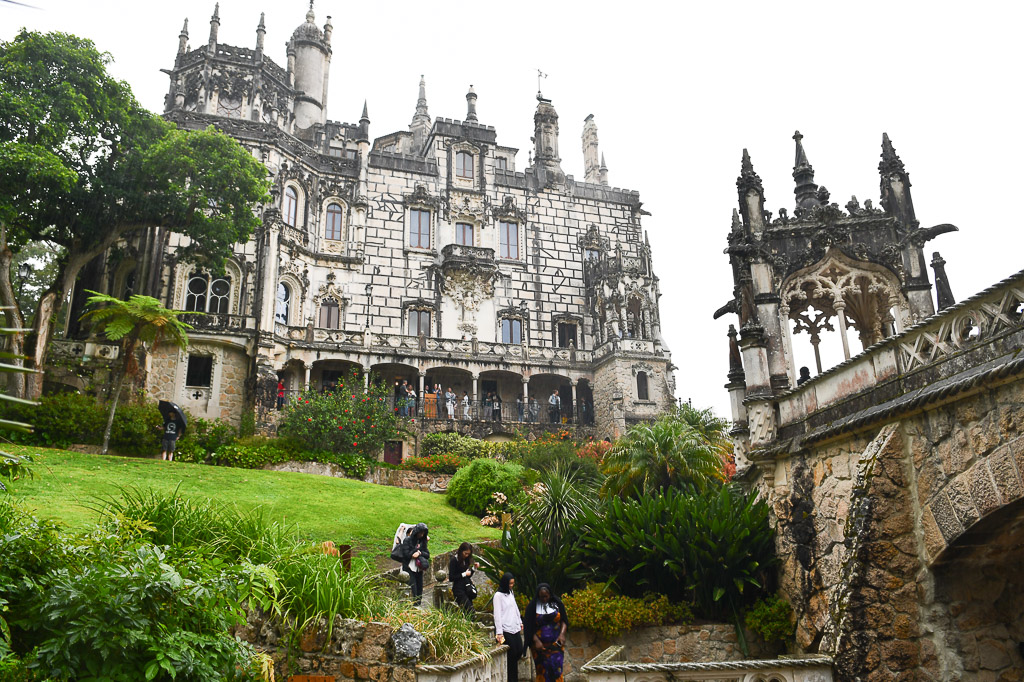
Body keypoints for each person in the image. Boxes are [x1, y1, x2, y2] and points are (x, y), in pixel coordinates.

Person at [524, 583, 569, 682]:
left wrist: (562, 634)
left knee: (557, 670)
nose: (544, 599)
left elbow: (564, 620)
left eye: (546, 596)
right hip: (539, 647)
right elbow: (528, 626)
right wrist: (535, 640)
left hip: (556, 644)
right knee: (543, 672)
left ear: (550, 595)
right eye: (541, 597)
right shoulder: (532, 607)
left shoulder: (558, 604)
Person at [493, 573, 524, 682]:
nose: (511, 585)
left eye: (513, 583)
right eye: (510, 583)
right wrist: (499, 632)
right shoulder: (498, 596)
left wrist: (520, 621)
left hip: (514, 626)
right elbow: (497, 614)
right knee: (511, 654)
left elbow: (515, 607)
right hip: (505, 629)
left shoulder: (511, 593)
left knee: (519, 650)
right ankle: (511, 679)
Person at [398, 523, 430, 605]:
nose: (421, 535)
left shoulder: (422, 541)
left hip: (419, 568)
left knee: (420, 590)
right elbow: (406, 554)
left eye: (423, 533)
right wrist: (414, 551)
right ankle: (413, 608)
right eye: (420, 533)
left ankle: (418, 606)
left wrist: (419, 553)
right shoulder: (407, 540)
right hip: (409, 568)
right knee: (413, 590)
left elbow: (427, 554)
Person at [448, 542, 479, 615]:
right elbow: (451, 577)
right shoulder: (454, 560)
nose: (466, 555)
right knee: (469, 609)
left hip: (467, 588)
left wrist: (474, 568)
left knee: (470, 609)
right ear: (461, 551)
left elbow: (468, 576)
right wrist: (463, 574)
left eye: (468, 554)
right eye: (465, 553)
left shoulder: (466, 560)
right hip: (458, 589)